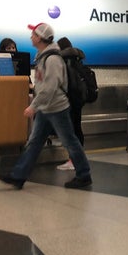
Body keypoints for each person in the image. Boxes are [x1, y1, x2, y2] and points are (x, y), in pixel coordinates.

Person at [0, 22, 92, 189]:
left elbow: (50, 87)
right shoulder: (42, 56)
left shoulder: (53, 59)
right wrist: (38, 105)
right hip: (45, 108)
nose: (31, 37)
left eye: (33, 34)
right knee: (34, 142)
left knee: (69, 141)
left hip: (57, 108)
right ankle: (18, 176)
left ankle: (84, 174)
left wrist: (34, 105)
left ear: (40, 38)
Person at [54, 36, 86, 170]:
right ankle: (77, 160)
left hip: (69, 100)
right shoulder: (78, 59)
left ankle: (74, 161)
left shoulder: (65, 60)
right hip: (79, 99)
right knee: (76, 129)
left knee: (72, 131)